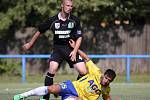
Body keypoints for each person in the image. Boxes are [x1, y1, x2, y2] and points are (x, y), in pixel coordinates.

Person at [22, 0, 87, 99]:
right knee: (52, 69)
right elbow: (40, 30)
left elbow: (79, 37)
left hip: (71, 48)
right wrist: (30, 44)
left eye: (71, 6)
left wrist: (74, 51)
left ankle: (76, 91)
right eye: (67, 5)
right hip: (58, 49)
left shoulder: (75, 20)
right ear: (62, 5)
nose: (69, 7)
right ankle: (45, 97)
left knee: (83, 71)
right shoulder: (53, 20)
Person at [14, 39, 116, 100]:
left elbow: (106, 98)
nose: (106, 81)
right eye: (106, 78)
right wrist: (75, 48)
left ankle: (61, 95)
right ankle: (23, 95)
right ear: (104, 75)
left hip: (77, 98)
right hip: (71, 86)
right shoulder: (96, 72)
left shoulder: (106, 89)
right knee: (50, 89)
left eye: (109, 81)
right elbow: (86, 58)